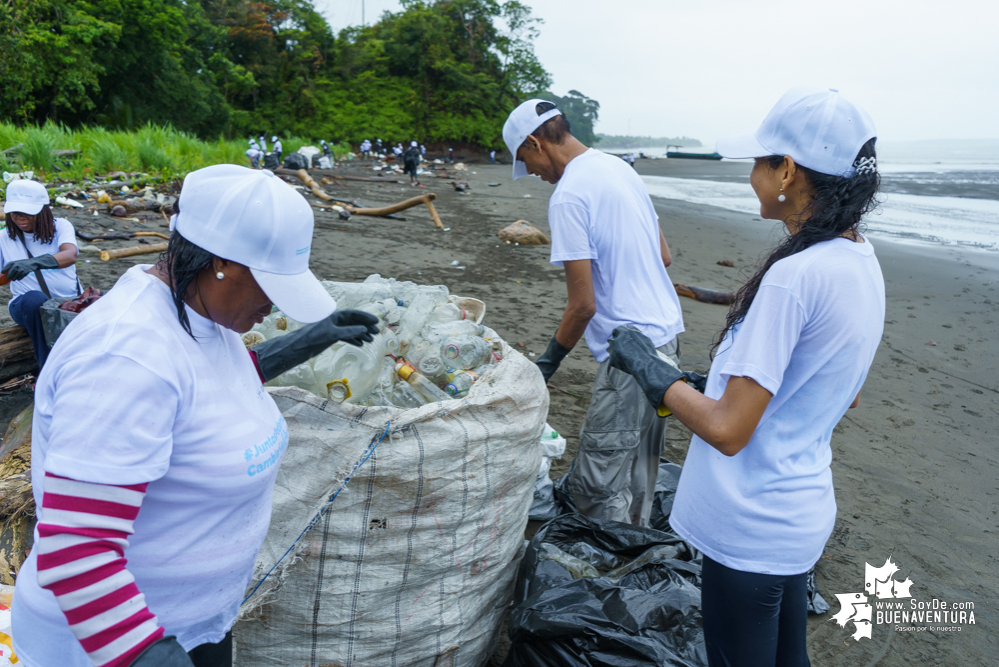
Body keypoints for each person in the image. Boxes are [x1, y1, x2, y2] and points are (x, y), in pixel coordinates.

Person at [12, 165, 380, 667]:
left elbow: (215, 389)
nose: (274, 305)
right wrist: (150, 655)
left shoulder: (201, 313)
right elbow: (77, 547)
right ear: (221, 262)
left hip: (194, 624)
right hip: (108, 644)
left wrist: (312, 339)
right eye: (269, 284)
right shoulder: (125, 356)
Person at [606, 87, 885, 665]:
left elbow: (730, 431)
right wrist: (704, 380)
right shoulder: (859, 259)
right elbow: (836, 391)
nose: (750, 175)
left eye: (760, 162)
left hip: (750, 524)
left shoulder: (794, 277)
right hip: (799, 515)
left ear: (788, 170)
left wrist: (652, 372)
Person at [502, 99, 685, 527]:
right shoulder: (620, 168)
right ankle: (631, 548)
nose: (531, 171)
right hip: (667, 340)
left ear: (535, 142)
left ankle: (602, 563)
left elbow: (583, 305)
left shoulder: (568, 197)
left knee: (598, 482)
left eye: (525, 160)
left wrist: (545, 363)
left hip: (630, 355)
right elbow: (665, 255)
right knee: (640, 467)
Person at [0, 178, 81, 368]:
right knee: (34, 299)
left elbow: (70, 255)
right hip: (25, 306)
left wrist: (34, 263)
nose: (19, 218)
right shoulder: (4, 237)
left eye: (27, 213)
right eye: (15, 213)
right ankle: (47, 369)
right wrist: (11, 272)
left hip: (66, 304)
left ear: (43, 210)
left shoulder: (61, 226)